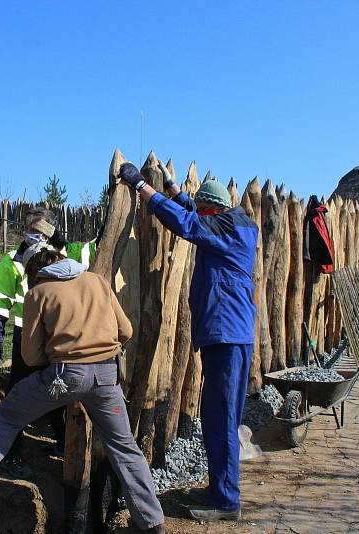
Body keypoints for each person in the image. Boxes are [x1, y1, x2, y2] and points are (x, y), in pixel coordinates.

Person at [0, 247, 166, 533]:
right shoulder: (96, 281)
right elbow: (126, 330)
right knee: (125, 448)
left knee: (8, 416)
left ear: (35, 273)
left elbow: (31, 357)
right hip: (107, 377)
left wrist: (59, 352)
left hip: (64, 377)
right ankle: (153, 523)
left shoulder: (38, 294)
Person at [119, 162, 258, 521]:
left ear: (215, 209)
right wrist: (175, 190)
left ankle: (226, 500)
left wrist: (142, 188)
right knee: (217, 417)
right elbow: (198, 215)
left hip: (227, 335)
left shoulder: (229, 230)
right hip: (228, 334)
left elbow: (190, 224)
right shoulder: (234, 222)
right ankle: (219, 488)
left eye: (204, 207)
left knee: (222, 418)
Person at [0, 207, 96, 476]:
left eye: (40, 230)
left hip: (57, 336)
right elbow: (2, 297)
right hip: (27, 336)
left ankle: (62, 444)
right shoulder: (13, 259)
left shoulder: (65, 252)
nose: (34, 235)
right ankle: (11, 454)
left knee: (61, 392)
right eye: (30, 230)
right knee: (19, 395)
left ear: (50, 230)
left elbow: (93, 250)